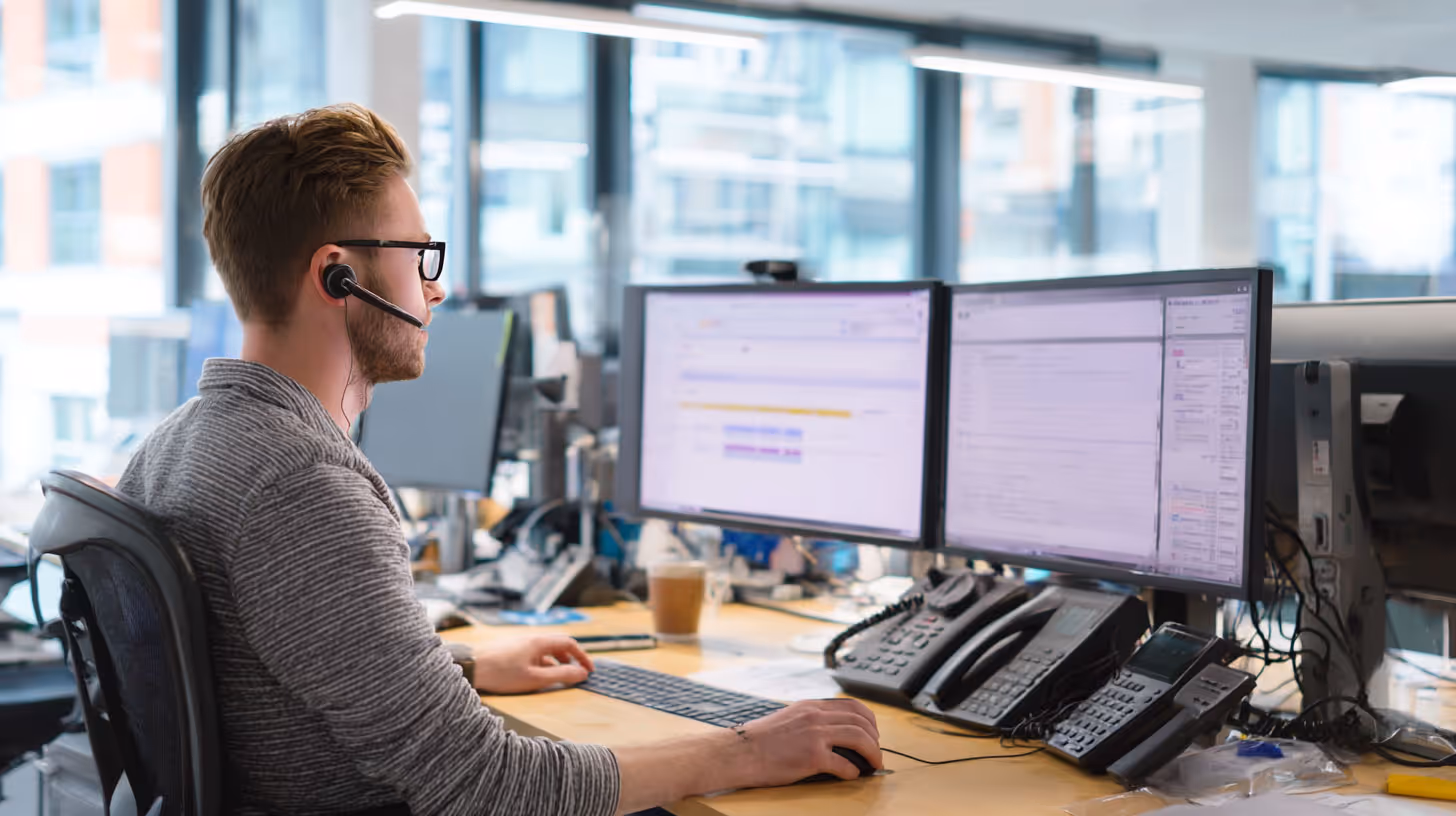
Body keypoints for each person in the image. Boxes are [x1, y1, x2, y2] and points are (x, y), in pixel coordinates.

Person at [116, 103, 882, 816]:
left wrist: (463, 669)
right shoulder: (301, 490)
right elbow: (487, 786)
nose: (436, 288)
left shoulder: (181, 441)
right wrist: (744, 748)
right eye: (418, 258)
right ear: (335, 277)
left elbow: (276, 666)